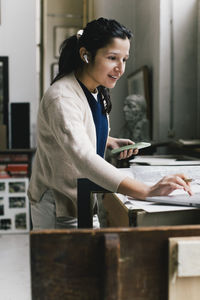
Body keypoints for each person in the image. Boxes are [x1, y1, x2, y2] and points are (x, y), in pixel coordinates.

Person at [28, 17, 192, 230]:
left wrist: (108, 141)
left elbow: (79, 130)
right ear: (86, 55)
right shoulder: (62, 97)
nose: (120, 68)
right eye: (112, 58)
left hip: (83, 198)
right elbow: (84, 157)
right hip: (59, 205)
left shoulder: (95, 90)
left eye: (124, 59)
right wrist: (146, 191)